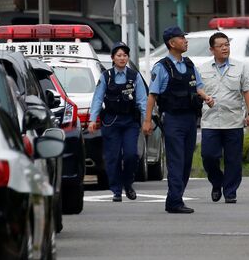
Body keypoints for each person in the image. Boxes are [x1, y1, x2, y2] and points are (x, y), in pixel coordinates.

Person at [142, 26, 214, 213]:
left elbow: (198, 86)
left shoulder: (189, 64)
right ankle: (175, 201)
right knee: (176, 160)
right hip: (173, 119)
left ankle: (174, 198)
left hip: (190, 118)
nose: (185, 41)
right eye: (182, 38)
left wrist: (206, 97)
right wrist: (147, 121)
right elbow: (153, 95)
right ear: (171, 43)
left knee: (186, 161)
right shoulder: (162, 67)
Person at [198, 32, 249, 204]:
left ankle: (230, 191)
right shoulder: (202, 69)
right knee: (208, 156)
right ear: (211, 49)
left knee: (233, 160)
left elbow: (247, 90)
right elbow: (197, 90)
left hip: (234, 121)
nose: (225, 48)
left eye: (227, 45)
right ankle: (217, 182)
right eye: (220, 45)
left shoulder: (240, 67)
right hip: (210, 121)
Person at [88, 42, 147, 202]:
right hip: (111, 122)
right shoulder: (105, 77)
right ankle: (116, 190)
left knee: (131, 155)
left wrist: (146, 119)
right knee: (112, 157)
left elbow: (142, 100)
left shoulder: (135, 77)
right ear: (113, 58)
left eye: (125, 55)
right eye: (119, 55)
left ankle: (128, 184)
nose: (122, 58)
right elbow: (97, 99)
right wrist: (93, 119)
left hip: (130, 122)